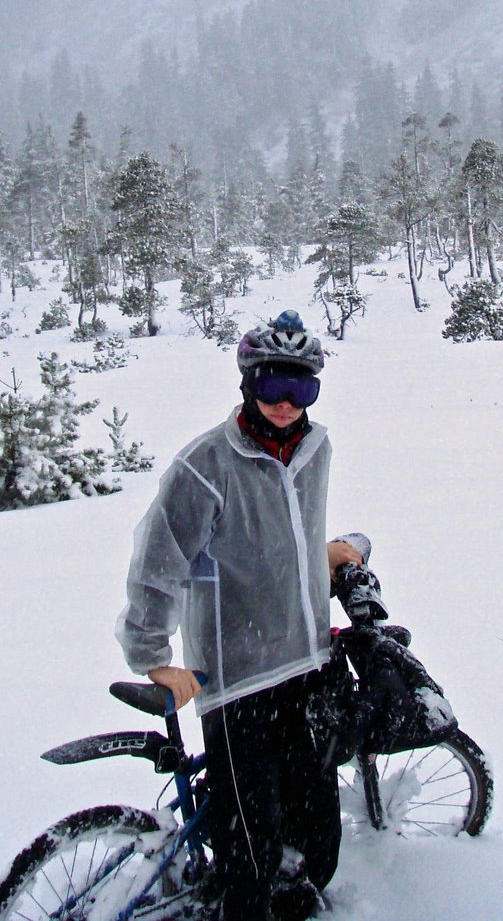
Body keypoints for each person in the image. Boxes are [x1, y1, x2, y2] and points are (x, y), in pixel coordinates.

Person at [117, 309, 361, 921]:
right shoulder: (206, 465)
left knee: (315, 834)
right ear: (248, 385)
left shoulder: (317, 448)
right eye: (272, 386)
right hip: (238, 680)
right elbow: (159, 559)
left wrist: (333, 554)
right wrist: (153, 657)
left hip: (304, 664)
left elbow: (292, 533)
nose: (285, 403)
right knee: (249, 860)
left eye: (300, 388)